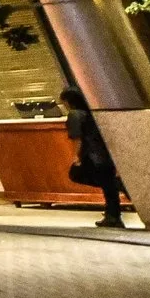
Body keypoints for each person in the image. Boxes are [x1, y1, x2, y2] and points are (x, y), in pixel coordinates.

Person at [62, 87, 126, 228]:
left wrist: (76, 156)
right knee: (108, 185)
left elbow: (77, 138)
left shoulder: (74, 115)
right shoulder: (92, 113)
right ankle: (113, 216)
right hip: (104, 153)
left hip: (90, 154)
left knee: (76, 174)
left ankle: (118, 188)